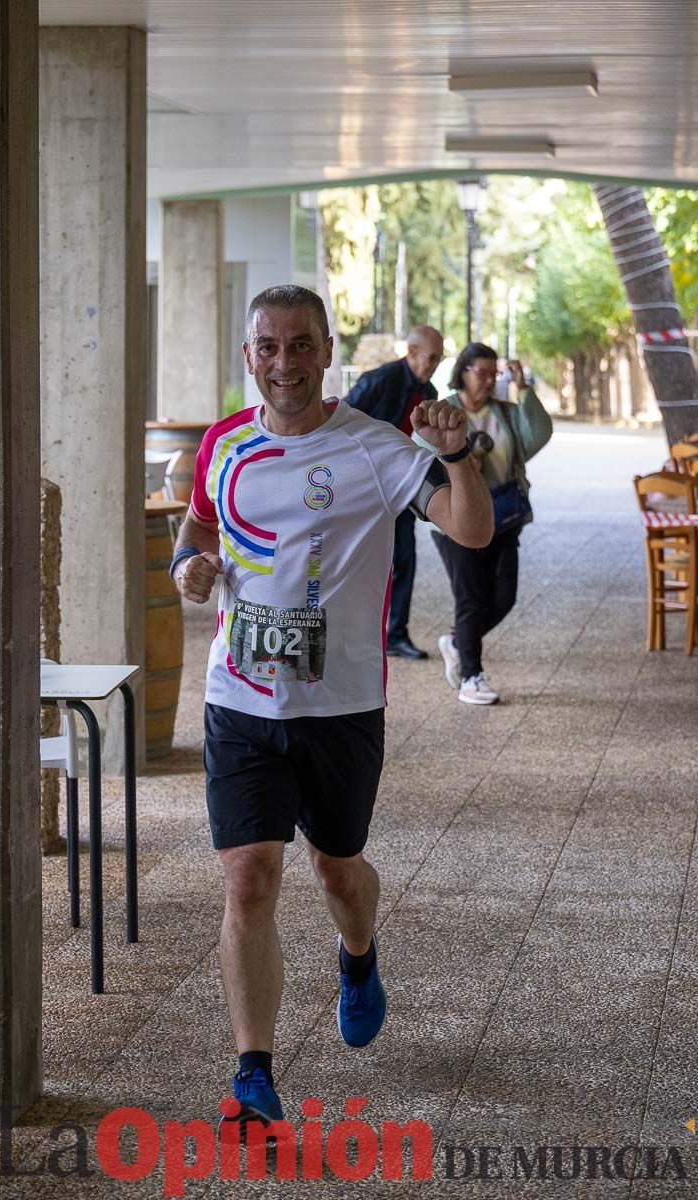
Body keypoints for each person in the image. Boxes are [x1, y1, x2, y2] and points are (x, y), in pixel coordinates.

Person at [171, 286, 492, 1128]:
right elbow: (198, 532)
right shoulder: (224, 444)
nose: (285, 362)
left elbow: (471, 532)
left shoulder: (375, 449)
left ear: (326, 351)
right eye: (269, 347)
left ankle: (358, 954)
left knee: (337, 871)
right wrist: (187, 571)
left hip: (341, 708)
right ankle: (253, 1076)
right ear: (251, 357)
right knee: (250, 877)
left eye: (301, 345)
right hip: (239, 698)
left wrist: (459, 457)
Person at [430, 342, 553, 706]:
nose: (488, 380)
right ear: (462, 372)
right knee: (470, 598)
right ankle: (471, 676)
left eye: (493, 374)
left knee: (503, 597)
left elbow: (539, 434)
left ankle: (456, 642)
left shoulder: (506, 412)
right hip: (456, 519)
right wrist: (459, 469)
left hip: (503, 516)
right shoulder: (445, 410)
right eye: (480, 373)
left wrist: (524, 388)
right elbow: (420, 455)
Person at [346, 326, 445, 659]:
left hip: (401, 488)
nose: (433, 365)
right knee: (358, 561)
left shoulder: (429, 390)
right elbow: (343, 421)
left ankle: (396, 634)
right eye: (430, 357)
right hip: (364, 486)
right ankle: (354, 632)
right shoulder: (379, 380)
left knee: (405, 560)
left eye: (438, 359)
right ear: (412, 352)